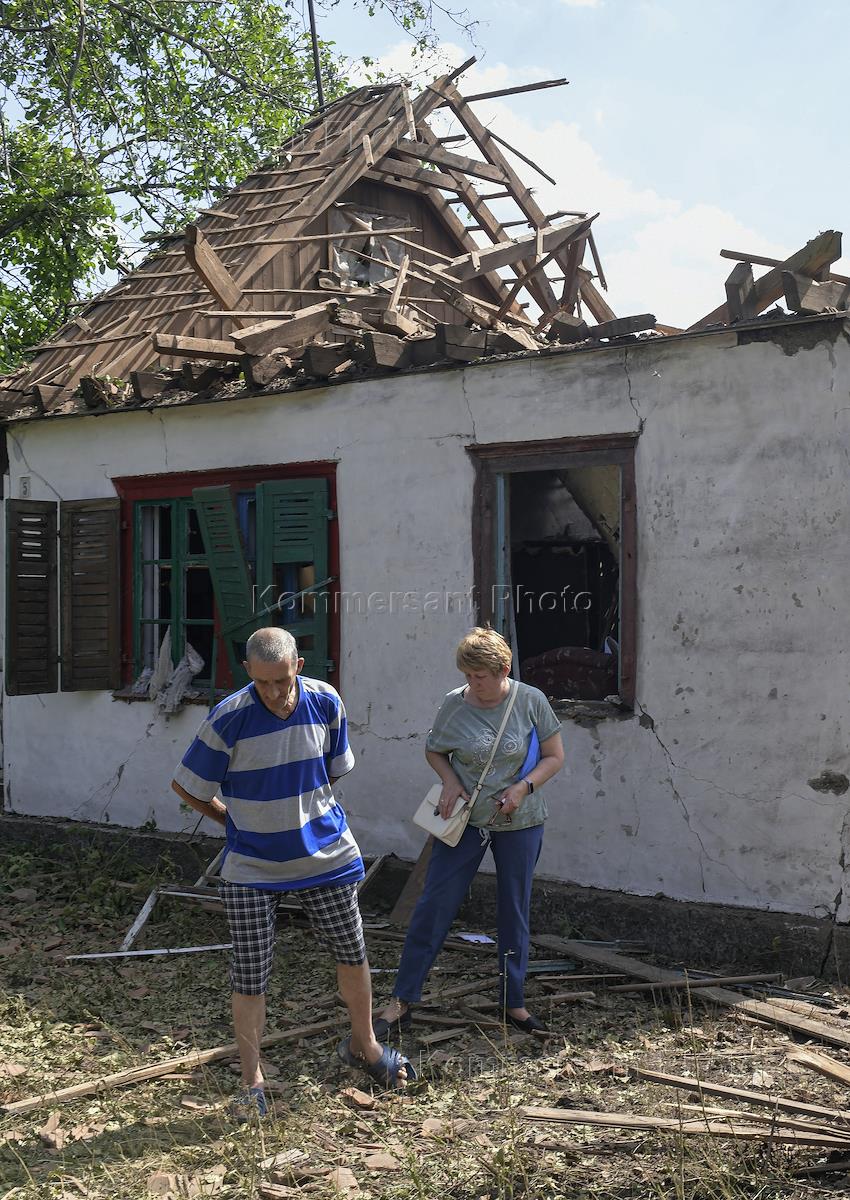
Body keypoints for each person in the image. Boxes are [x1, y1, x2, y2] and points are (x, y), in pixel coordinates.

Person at [172, 627, 414, 1117]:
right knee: (250, 975)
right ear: (248, 675)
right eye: (263, 684)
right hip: (251, 867)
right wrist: (233, 821)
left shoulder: (326, 702)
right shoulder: (228, 719)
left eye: (282, 681)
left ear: (298, 666)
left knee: (353, 952)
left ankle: (364, 1046)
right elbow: (186, 786)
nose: (275, 693)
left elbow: (331, 770)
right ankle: (252, 1081)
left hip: (325, 856)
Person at [376, 627, 565, 1038]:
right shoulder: (453, 703)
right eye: (467, 675)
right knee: (433, 904)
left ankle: (513, 1002)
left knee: (513, 909)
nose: (473, 684)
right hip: (463, 820)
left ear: (504, 669)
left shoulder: (530, 701)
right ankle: (401, 1000)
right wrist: (448, 780)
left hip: (520, 821)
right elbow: (434, 749)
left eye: (480, 676)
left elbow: (554, 757)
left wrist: (523, 787)